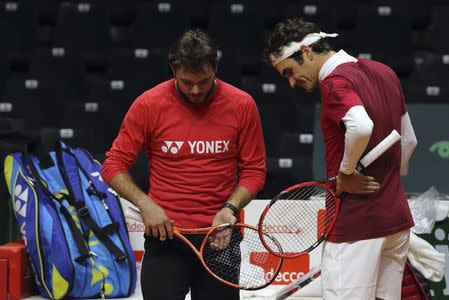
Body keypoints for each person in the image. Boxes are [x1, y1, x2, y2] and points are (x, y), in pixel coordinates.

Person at [101, 29, 266, 300]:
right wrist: (146, 204)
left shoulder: (242, 104)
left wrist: (230, 209)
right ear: (173, 69)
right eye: (187, 82)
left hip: (220, 237)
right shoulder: (149, 104)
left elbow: (255, 171)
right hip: (166, 237)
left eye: (203, 80)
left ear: (215, 68)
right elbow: (113, 165)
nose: (196, 90)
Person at [263, 18, 417, 300]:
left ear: (307, 53)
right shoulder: (383, 71)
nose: (291, 82)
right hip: (395, 222)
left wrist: (346, 173)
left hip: (355, 226)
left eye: (289, 71)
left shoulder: (335, 83)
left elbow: (361, 125)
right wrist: (389, 181)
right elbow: (409, 140)